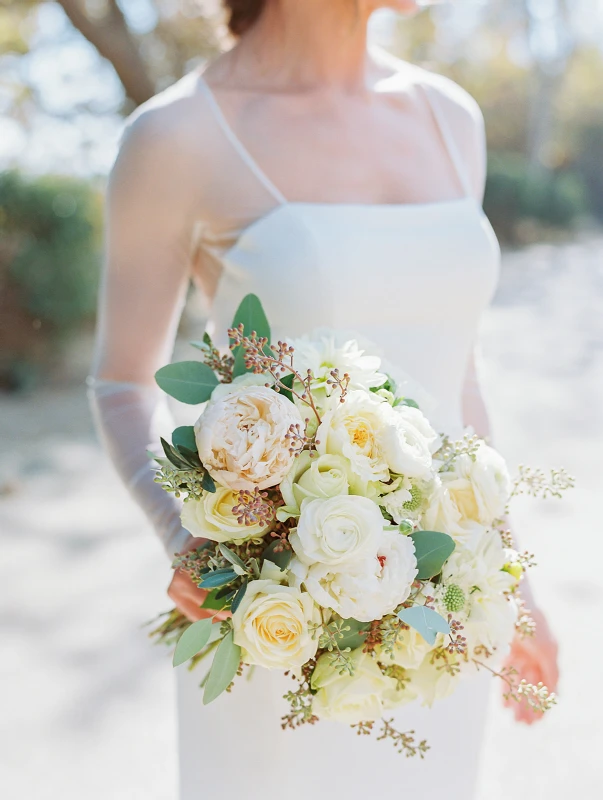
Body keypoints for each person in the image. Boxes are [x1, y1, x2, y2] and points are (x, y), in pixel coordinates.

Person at [89, 1, 559, 797]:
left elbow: (458, 377)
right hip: (277, 615)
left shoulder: (450, 116)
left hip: (437, 620)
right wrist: (186, 541)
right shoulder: (177, 136)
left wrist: (511, 586)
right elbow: (121, 383)